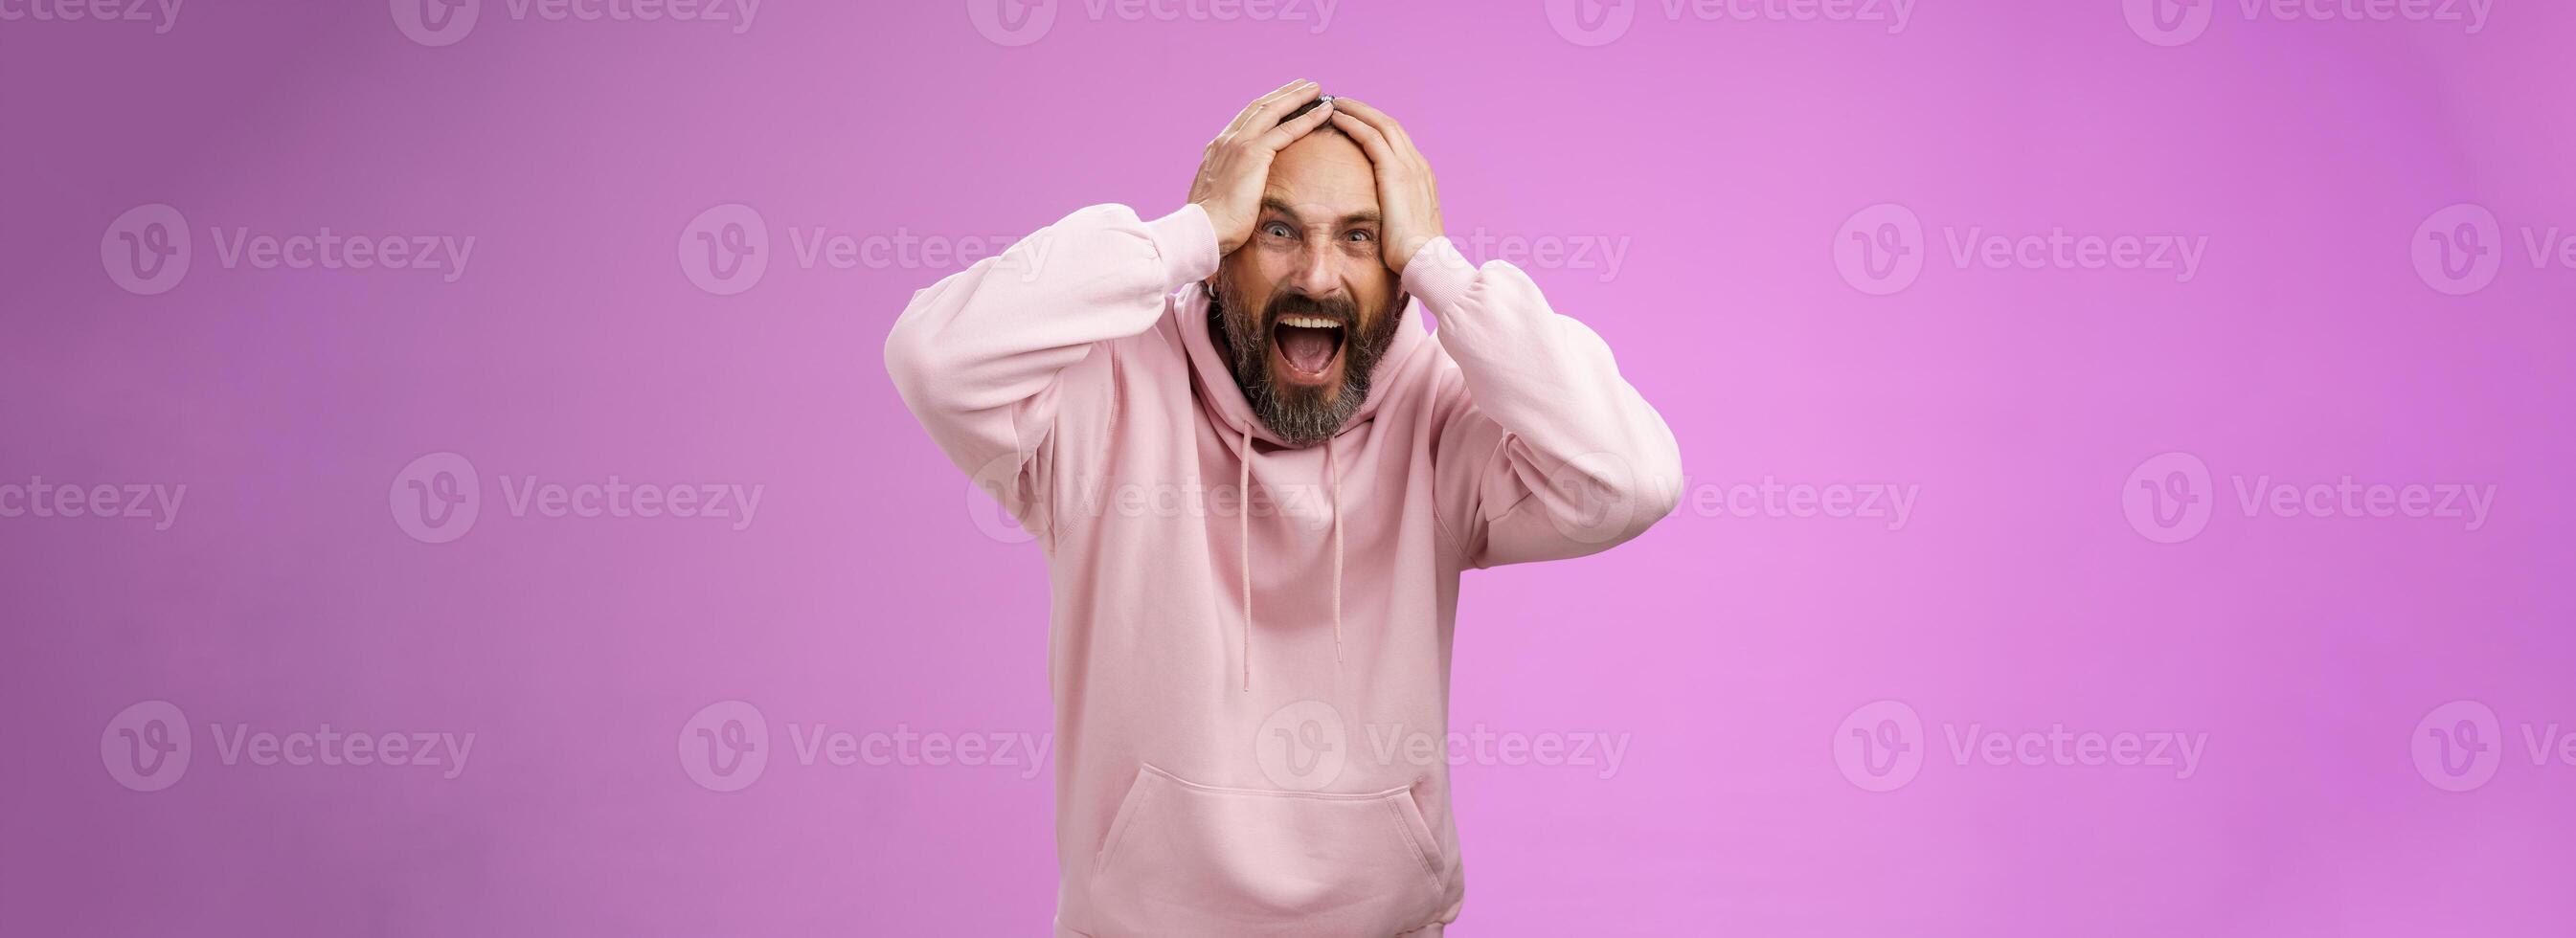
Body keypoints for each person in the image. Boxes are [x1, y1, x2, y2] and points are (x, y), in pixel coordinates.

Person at [885, 78, 1683, 937]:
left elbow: (1630, 481)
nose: (1316, 275)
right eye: (1275, 229)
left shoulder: (1442, 416)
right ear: (1224, 246)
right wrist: (1178, 237)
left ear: (1399, 264)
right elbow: (935, 358)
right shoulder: (1102, 392)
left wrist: (1443, 269)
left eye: (1361, 237)